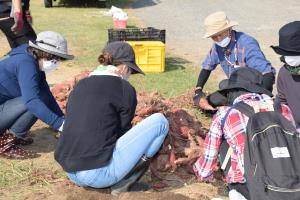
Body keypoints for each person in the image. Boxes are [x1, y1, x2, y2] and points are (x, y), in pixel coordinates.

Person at [54, 41, 169, 195]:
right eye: (130, 71)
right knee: (160, 121)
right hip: (97, 175)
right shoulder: (124, 89)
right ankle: (126, 182)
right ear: (123, 67)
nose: (129, 75)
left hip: (70, 171)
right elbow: (122, 132)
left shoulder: (81, 85)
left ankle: (114, 178)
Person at [193, 67, 296, 200]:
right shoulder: (283, 109)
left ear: (233, 91)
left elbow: (207, 164)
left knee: (225, 145)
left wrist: (201, 173)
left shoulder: (226, 114)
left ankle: (238, 193)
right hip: (291, 185)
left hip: (252, 189)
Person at [0, 31, 73, 159]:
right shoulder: (25, 63)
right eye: (55, 59)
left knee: (41, 97)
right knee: (34, 101)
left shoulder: (32, 61)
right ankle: (6, 143)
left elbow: (47, 96)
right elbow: (32, 101)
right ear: (45, 54)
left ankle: (15, 136)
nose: (57, 63)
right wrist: (60, 124)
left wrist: (62, 119)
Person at [194, 11, 275, 111]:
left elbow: (267, 73)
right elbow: (206, 68)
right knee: (213, 96)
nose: (218, 39)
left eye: (220, 34)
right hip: (235, 87)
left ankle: (237, 106)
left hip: (254, 88)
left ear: (229, 29)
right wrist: (198, 89)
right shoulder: (217, 46)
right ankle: (234, 105)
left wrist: (261, 98)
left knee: (228, 97)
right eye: (214, 36)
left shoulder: (247, 43)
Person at [271, 21, 300, 132]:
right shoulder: (284, 72)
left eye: (293, 53)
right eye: (286, 53)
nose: (289, 58)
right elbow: (282, 101)